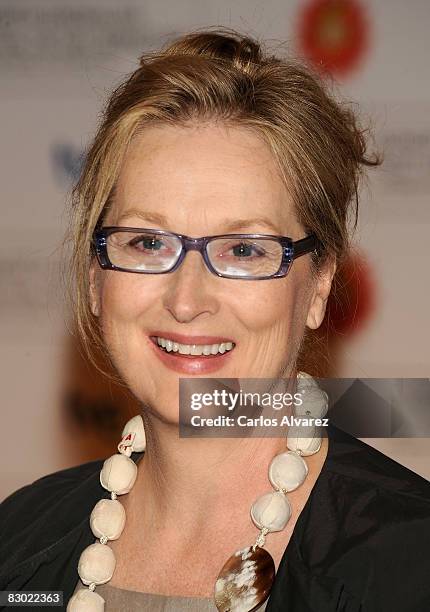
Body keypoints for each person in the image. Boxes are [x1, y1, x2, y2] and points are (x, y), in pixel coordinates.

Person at [0, 27, 429, 612]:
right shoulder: (18, 540)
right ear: (97, 276)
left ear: (318, 285)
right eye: (148, 241)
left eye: (245, 250)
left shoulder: (409, 561)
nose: (186, 299)